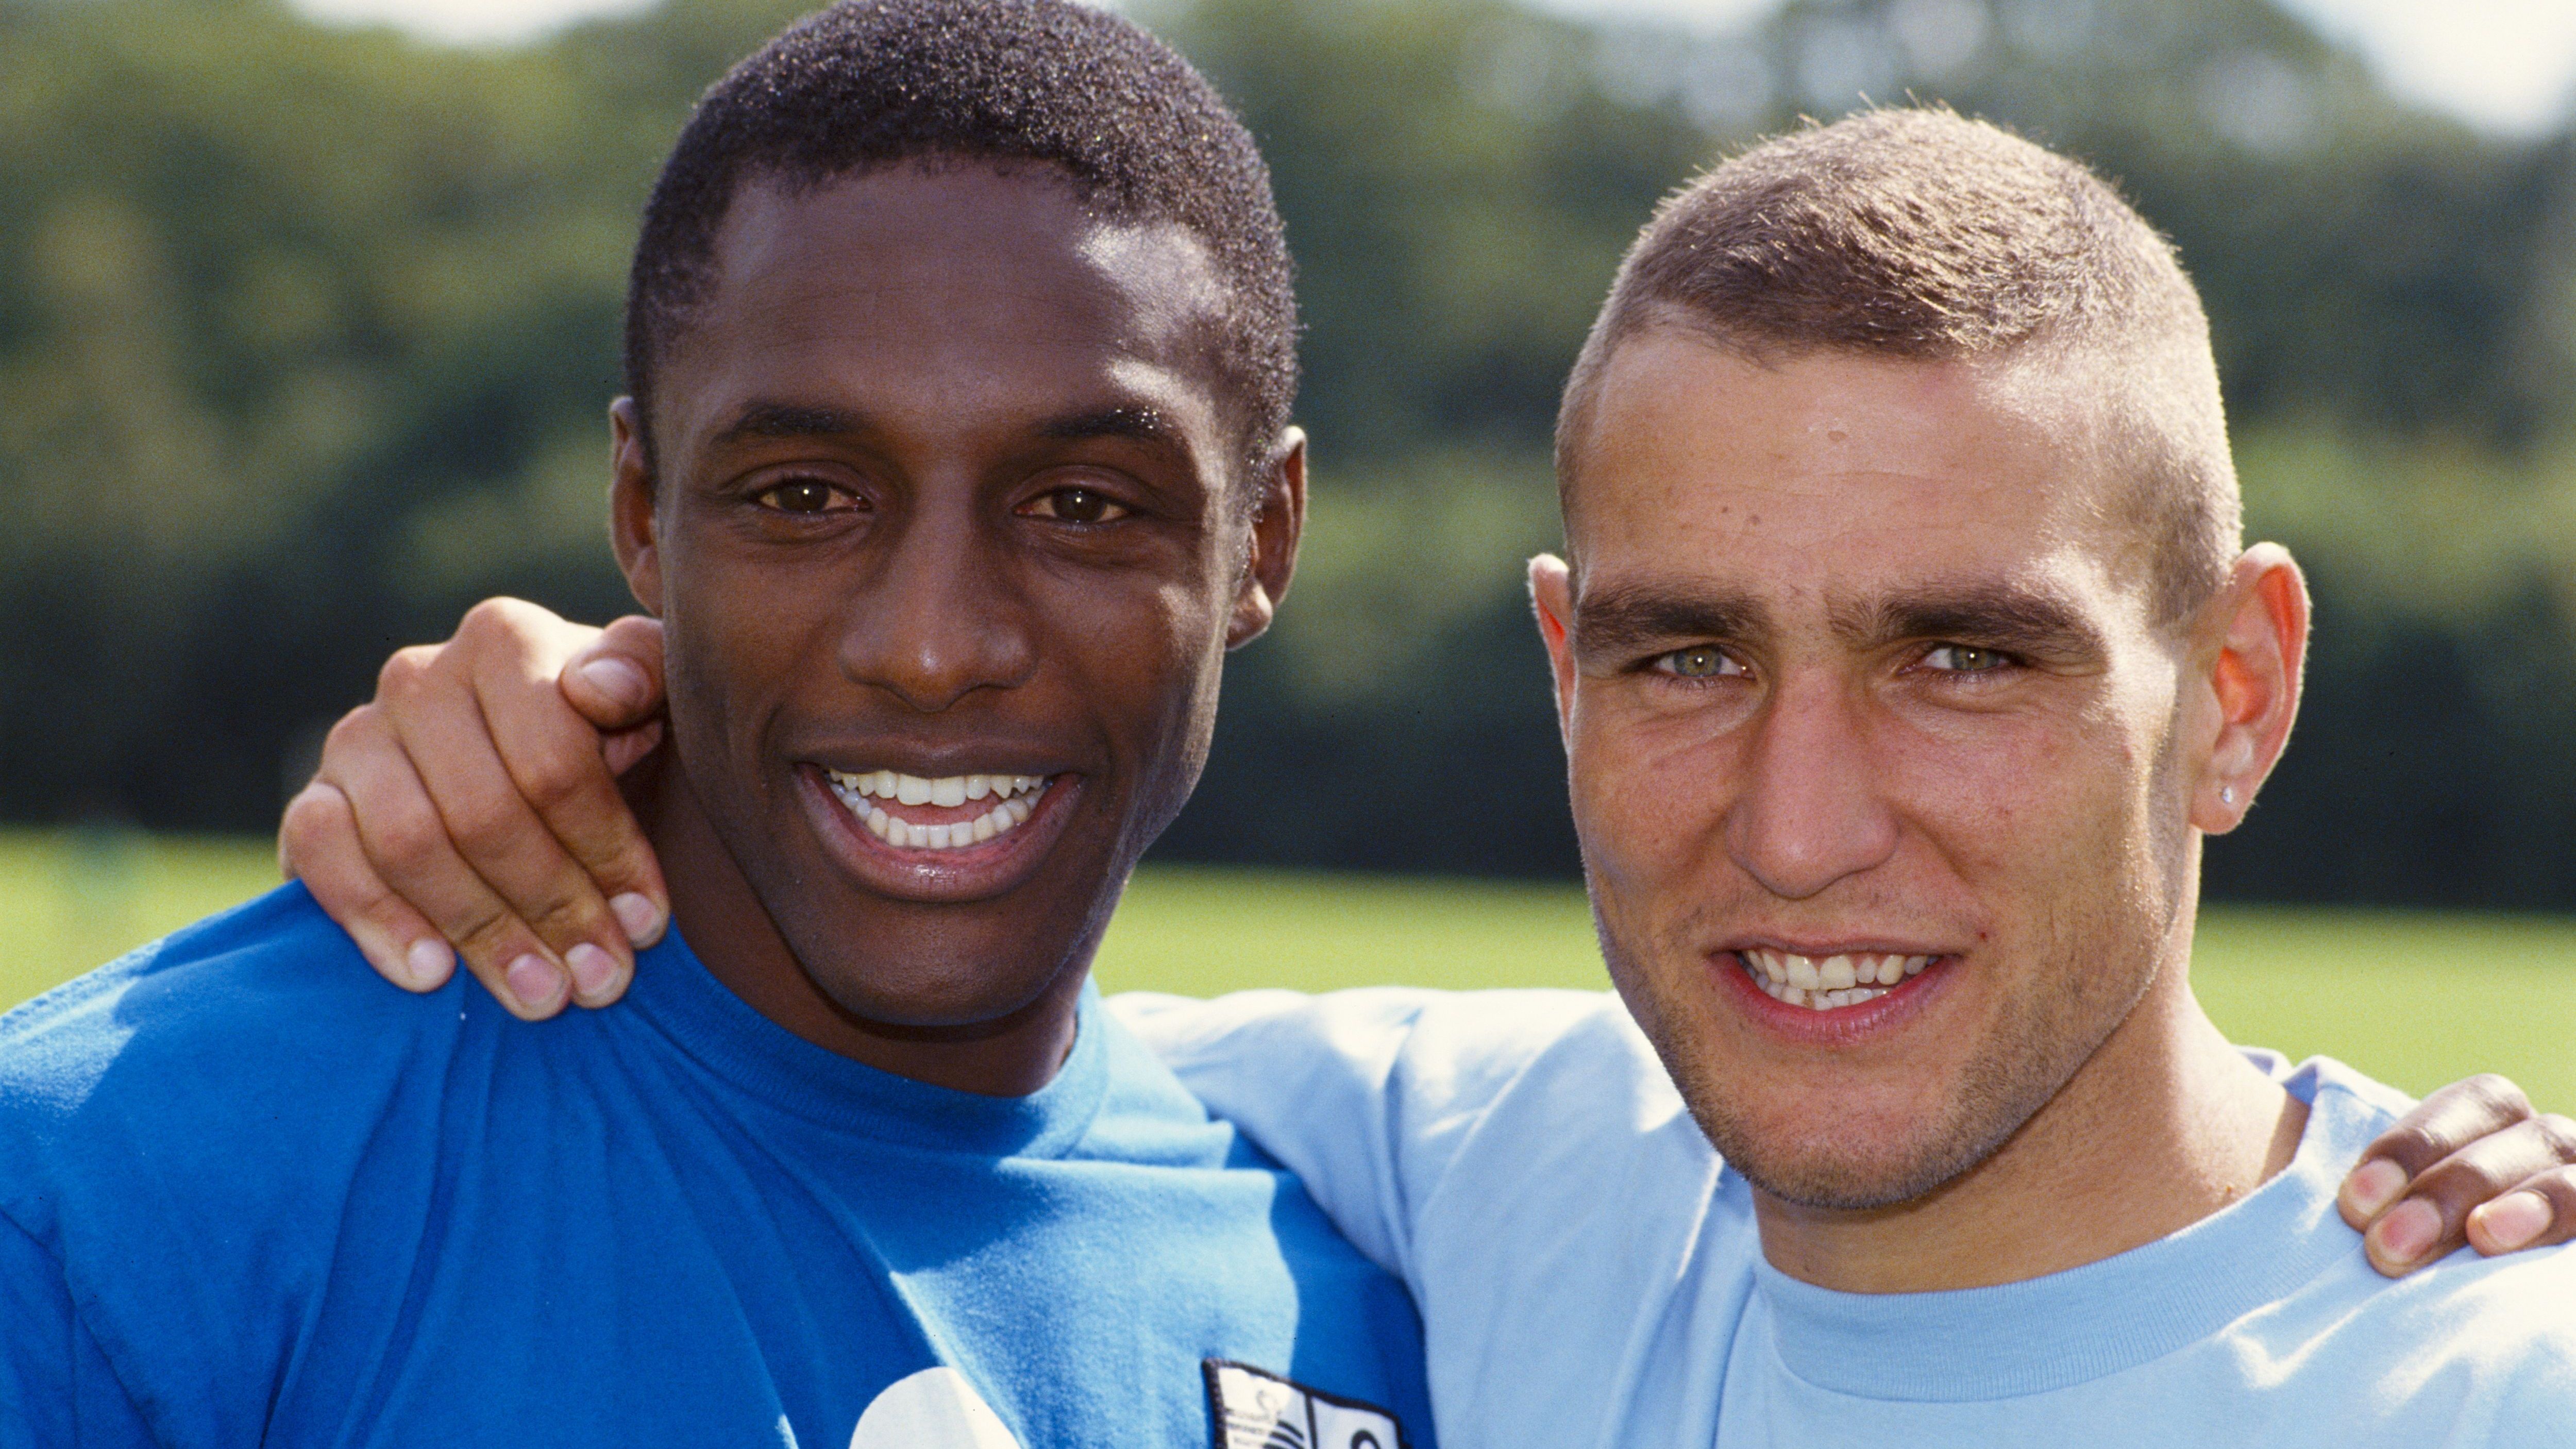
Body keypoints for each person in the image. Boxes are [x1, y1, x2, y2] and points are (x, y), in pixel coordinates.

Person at [291, 109, 2576, 1445]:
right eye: (1689, 655)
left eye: (1961, 659)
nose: (1799, 826)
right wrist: (589, 737)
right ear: (1562, 671)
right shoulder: (1500, 1168)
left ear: (2236, 691)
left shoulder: (2489, 1377)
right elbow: (959, 1030)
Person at [0, 5, 1436, 1446]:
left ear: (1261, 539)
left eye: (1082, 506)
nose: (932, 648)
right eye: (805, 497)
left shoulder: (1370, 1321)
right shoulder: (108, 1198)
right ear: (642, 509)